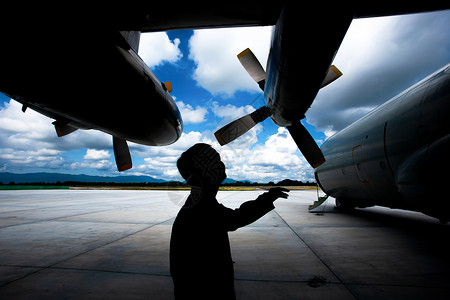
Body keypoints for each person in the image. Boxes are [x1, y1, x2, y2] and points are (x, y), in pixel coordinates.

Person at [170, 143, 289, 299]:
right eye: (216, 161)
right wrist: (268, 198)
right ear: (205, 171)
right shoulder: (202, 207)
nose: (222, 165)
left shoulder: (198, 201)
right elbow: (236, 219)